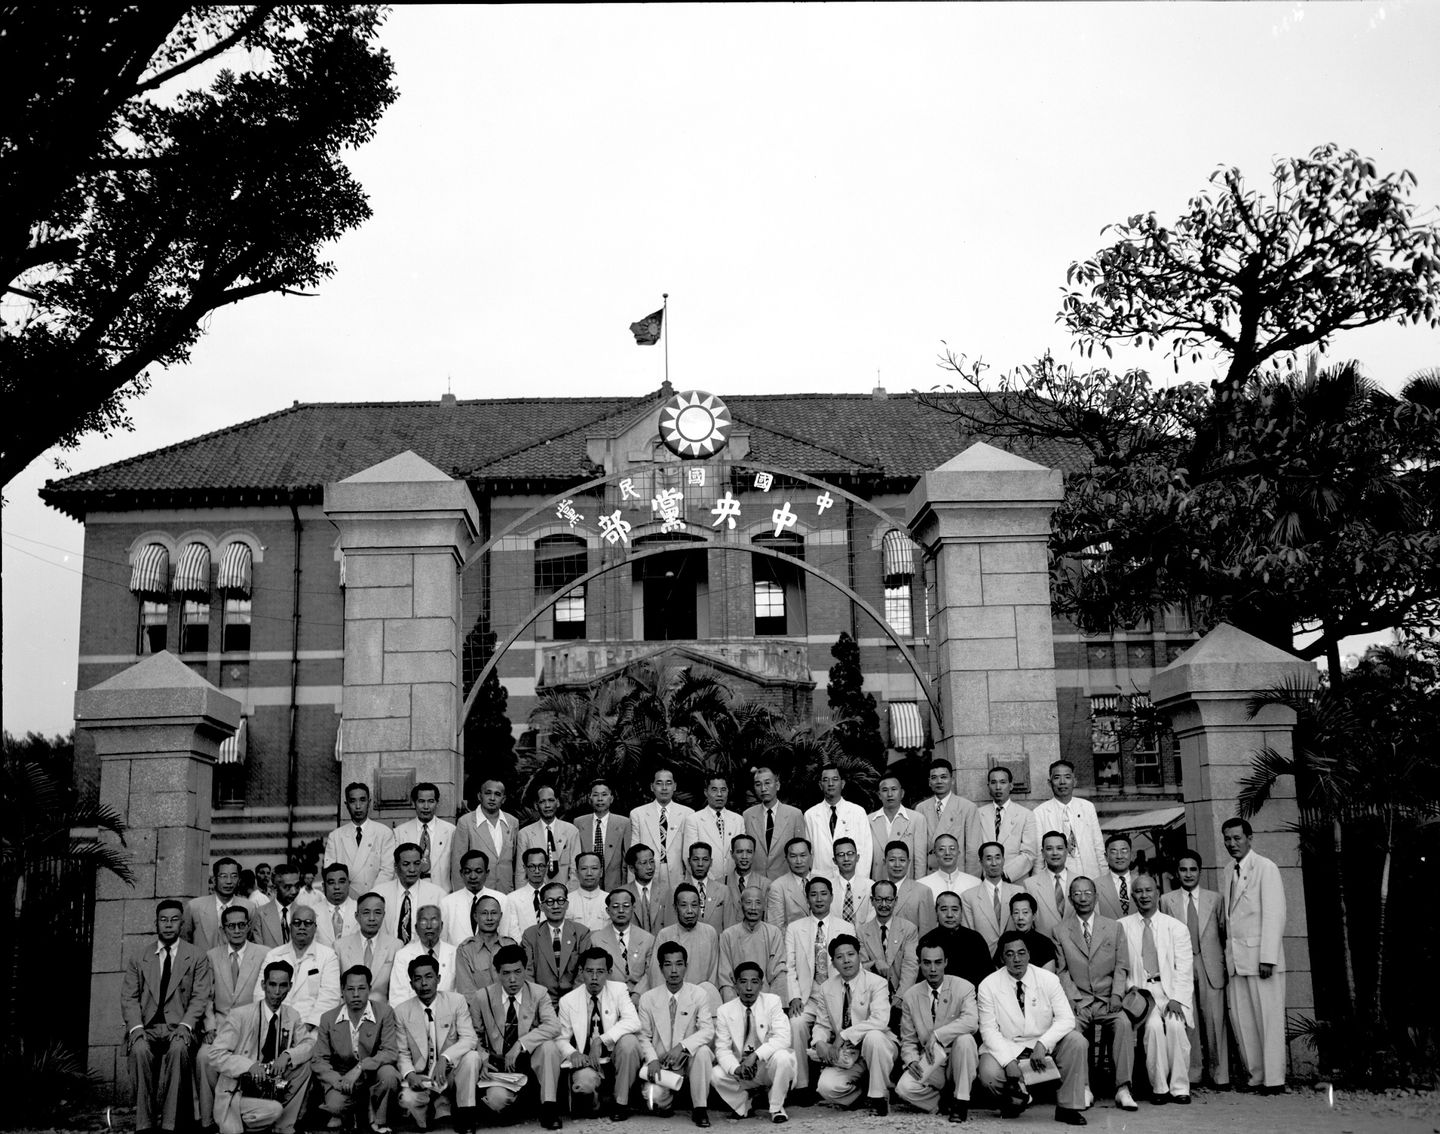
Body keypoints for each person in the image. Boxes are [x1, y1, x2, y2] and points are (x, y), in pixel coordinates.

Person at [977, 933, 1088, 1126]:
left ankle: (1068, 1107)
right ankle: (1013, 1100)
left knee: (1077, 1041)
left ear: (1029, 954)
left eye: (1021, 953)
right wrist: (1008, 1061)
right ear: (1002, 958)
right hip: (1008, 1044)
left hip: (1043, 1044)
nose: (1017, 959)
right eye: (1010, 954)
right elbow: (988, 1031)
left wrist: (1043, 1044)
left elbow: (1067, 1019)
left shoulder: (1048, 979)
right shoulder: (988, 985)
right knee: (989, 1075)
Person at [123, 899, 213, 1134]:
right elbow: (129, 998)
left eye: (174, 920)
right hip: (147, 1027)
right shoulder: (139, 957)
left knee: (178, 1049)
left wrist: (186, 1026)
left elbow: (200, 997)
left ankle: (169, 1125)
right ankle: (144, 1124)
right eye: (163, 920)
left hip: (179, 1026)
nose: (169, 924)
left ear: (181, 923)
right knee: (139, 1050)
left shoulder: (196, 956)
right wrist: (136, 1028)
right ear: (156, 923)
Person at [1051, 875, 1134, 1111]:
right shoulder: (1060, 931)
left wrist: (1117, 995)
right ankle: (1083, 1087)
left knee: (1123, 1024)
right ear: (1070, 899)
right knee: (1071, 1031)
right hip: (1080, 1001)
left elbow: (1121, 965)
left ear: (1096, 897)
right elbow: (1062, 970)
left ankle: (1123, 1088)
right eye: (1077, 893)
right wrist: (1072, 999)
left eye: (1088, 893)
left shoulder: (1114, 927)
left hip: (1108, 999)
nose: (1083, 898)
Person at [208, 961, 313, 1134]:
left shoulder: (292, 1015)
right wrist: (248, 1065)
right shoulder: (240, 1014)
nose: (277, 992)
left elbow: (308, 1044)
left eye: (283, 985)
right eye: (272, 984)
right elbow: (215, 1054)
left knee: (306, 1066)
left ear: (290, 987)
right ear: (263, 985)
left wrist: (287, 1055)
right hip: (240, 1090)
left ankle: (283, 1126)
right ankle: (253, 1120)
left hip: (271, 1084)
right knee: (274, 1110)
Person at [467, 943, 564, 1128]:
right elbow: (473, 1035)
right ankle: (516, 1106)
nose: (513, 979)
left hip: (529, 1062)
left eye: (518, 972)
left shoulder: (538, 993)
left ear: (525, 970)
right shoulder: (482, 997)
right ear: (497, 973)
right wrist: (482, 1058)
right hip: (499, 1065)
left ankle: (549, 1108)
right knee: (496, 1101)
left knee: (549, 1047)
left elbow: (554, 1026)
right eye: (506, 973)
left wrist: (520, 1044)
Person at [1222, 817, 1287, 1093]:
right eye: (1227, 839)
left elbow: (1274, 914)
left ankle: (1274, 1079)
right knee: (1244, 1021)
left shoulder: (1265, 868)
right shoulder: (1229, 870)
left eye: (1237, 838)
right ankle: (1255, 1076)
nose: (1232, 843)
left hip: (1261, 959)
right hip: (1237, 959)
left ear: (1250, 838)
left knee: (1268, 1020)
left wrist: (1268, 958)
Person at [1117, 872, 1193, 1105]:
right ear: (1132, 896)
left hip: (1169, 992)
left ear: (1158, 893)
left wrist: (1177, 998)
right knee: (1152, 1028)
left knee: (1175, 1025)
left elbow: (1184, 968)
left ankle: (1180, 1087)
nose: (1144, 895)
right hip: (1140, 994)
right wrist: (1133, 992)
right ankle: (1159, 1087)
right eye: (1139, 891)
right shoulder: (1122, 926)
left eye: (1149, 890)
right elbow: (1120, 968)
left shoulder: (1176, 927)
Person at [802, 934, 897, 1116]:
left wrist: (844, 1035)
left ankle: (879, 1097)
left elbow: (880, 1020)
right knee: (826, 1087)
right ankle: (862, 1093)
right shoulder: (827, 987)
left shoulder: (877, 982)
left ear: (859, 956)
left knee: (874, 1037)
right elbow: (822, 1024)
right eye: (840, 957)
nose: (846, 961)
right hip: (848, 1054)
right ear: (833, 963)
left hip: (879, 1048)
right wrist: (819, 1042)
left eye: (851, 954)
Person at [1160, 848, 1229, 1089]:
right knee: (1189, 1021)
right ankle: (1193, 1073)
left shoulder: (1215, 899)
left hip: (1209, 964)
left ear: (1200, 871)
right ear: (1177, 873)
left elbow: (1223, 932)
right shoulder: (1166, 900)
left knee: (1215, 1020)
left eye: (1193, 869)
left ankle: (1220, 1074)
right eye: (1183, 870)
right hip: (1182, 965)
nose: (1188, 874)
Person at [393, 953, 481, 1133]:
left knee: (472, 1057)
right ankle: (427, 1114)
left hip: (450, 1073)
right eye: (418, 979)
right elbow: (402, 1052)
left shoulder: (456, 1001)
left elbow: (469, 1038)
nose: (424, 983)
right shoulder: (401, 1011)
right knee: (408, 1099)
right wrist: (410, 1074)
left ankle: (465, 1113)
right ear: (411, 984)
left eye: (429, 977)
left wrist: (445, 1057)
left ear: (438, 979)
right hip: (422, 1077)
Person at [200, 906, 269, 1130]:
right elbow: (207, 997)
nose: (237, 930)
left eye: (241, 925)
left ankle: (238, 1113)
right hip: (221, 1027)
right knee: (204, 1057)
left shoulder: (264, 953)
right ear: (223, 930)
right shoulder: (212, 956)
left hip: (252, 1026)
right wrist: (210, 1027)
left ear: (248, 926)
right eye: (231, 926)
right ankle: (210, 1119)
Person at [554, 947, 643, 1119]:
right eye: (589, 971)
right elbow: (560, 1038)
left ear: (609, 972)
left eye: (600, 972)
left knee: (630, 1042)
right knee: (584, 1087)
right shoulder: (568, 1001)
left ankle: (621, 1104)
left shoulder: (619, 990)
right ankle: (599, 1102)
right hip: (588, 1062)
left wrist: (600, 1040)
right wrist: (573, 1053)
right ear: (581, 972)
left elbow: (633, 1021)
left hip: (614, 1059)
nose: (594, 977)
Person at [895, 942, 979, 1122]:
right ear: (919, 964)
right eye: (927, 963)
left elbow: (971, 1022)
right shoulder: (911, 995)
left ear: (946, 962)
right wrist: (911, 1060)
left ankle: (961, 1101)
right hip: (932, 1060)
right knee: (904, 1088)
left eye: (938, 962)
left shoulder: (964, 987)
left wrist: (938, 1035)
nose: (933, 969)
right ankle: (942, 1103)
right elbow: (908, 1039)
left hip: (958, 1058)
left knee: (965, 1040)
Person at [313, 965, 401, 1134]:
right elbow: (319, 1060)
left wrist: (360, 1067)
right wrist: (339, 1081)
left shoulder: (384, 1012)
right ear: (342, 991)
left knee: (389, 1075)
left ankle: (379, 1121)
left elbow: (390, 1051)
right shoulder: (328, 1018)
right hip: (343, 1076)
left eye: (361, 988)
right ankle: (354, 1114)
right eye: (350, 989)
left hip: (373, 1074)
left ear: (369, 989)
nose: (355, 994)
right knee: (334, 1105)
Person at [636, 942, 715, 1125]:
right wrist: (652, 1060)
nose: (674, 970)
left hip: (688, 1060)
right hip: (661, 1062)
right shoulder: (648, 998)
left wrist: (681, 1047)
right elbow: (643, 1036)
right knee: (653, 1097)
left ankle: (700, 1108)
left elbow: (707, 1030)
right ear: (660, 968)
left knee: (703, 1052)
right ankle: (669, 1099)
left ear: (686, 966)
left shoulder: (699, 994)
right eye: (668, 964)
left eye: (679, 964)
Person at [712, 961, 797, 1123]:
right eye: (743, 982)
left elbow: (783, 1038)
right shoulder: (724, 1011)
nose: (749, 988)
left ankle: (776, 1107)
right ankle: (744, 1103)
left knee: (784, 1057)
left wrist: (755, 1056)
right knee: (715, 1074)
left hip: (767, 1066)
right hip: (743, 1069)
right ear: (735, 985)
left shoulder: (773, 1001)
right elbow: (722, 1049)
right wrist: (736, 1068)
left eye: (754, 982)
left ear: (761, 985)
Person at [255, 902, 341, 1028]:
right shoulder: (273, 955)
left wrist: (306, 1028)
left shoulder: (328, 956)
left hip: (312, 1028)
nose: (302, 927)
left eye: (307, 923)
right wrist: (274, 1023)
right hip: (274, 1025)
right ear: (290, 927)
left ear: (315, 927)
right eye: (297, 923)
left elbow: (330, 997)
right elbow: (260, 993)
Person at [784, 878, 853, 1020]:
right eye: (813, 894)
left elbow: (852, 965)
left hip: (838, 996)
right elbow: (789, 966)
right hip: (807, 998)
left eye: (824, 893)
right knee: (796, 1022)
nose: (819, 899)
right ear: (807, 899)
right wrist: (795, 997)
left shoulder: (846, 928)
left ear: (831, 897)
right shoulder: (794, 928)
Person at [855, 880, 917, 1029]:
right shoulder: (862, 931)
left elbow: (911, 966)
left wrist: (900, 997)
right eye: (879, 899)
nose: (884, 904)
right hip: (872, 999)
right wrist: (875, 963)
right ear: (872, 901)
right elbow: (861, 967)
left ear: (896, 900)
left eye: (888, 899)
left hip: (902, 997)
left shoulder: (909, 929)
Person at [1030, 761, 1106, 884]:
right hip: (1058, 876)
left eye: (1067, 777)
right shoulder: (1039, 812)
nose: (1062, 782)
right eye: (1057, 777)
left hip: (1089, 872)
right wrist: (1037, 884)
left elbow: (1099, 847)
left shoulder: (1087, 807)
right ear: (1049, 782)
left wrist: (1105, 878)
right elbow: (1039, 854)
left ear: (1074, 781)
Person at [522, 882, 592, 1007]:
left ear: (567, 904)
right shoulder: (530, 935)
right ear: (541, 906)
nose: (555, 906)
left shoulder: (581, 933)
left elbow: (584, 971)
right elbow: (528, 973)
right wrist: (539, 1002)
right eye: (549, 902)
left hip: (575, 1000)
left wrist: (572, 1001)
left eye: (560, 900)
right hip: (541, 1001)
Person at [323, 782, 397, 899]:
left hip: (377, 897)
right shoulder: (335, 836)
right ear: (346, 805)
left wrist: (371, 897)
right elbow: (331, 873)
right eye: (353, 801)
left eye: (362, 800)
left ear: (369, 802)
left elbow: (387, 871)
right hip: (347, 898)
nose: (358, 806)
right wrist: (351, 896)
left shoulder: (384, 833)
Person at [648, 884, 721, 997]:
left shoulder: (710, 932)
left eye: (694, 905)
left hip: (703, 998)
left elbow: (714, 975)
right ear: (675, 908)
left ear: (700, 906)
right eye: (683, 905)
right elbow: (657, 976)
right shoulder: (665, 935)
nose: (690, 911)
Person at [718, 886, 788, 1004]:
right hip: (737, 1000)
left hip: (766, 999)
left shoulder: (773, 933)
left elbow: (778, 973)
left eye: (758, 903)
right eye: (748, 902)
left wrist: (772, 1005)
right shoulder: (728, 935)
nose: (753, 908)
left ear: (764, 905)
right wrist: (733, 1007)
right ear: (741, 904)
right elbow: (726, 978)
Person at [629, 766, 694, 889]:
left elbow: (690, 851)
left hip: (678, 874)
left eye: (668, 783)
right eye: (659, 783)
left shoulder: (688, 814)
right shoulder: (638, 814)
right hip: (648, 873)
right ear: (652, 787)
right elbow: (634, 850)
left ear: (674, 786)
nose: (664, 788)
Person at [803, 764, 872, 880]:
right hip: (821, 878)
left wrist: (861, 880)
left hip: (853, 878)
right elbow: (808, 852)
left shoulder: (858, 812)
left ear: (842, 783)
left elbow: (866, 851)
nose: (830, 783)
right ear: (820, 785)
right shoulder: (810, 815)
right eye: (826, 780)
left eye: (835, 779)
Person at [451, 778, 519, 894]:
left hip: (505, 892)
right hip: (477, 892)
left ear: (503, 799)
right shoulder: (466, 822)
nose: (492, 798)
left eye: (497, 794)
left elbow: (514, 859)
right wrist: (461, 895)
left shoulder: (512, 822)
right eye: (488, 793)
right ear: (479, 796)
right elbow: (458, 863)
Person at [917, 892, 993, 990]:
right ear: (936, 912)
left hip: (971, 994)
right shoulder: (927, 940)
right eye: (944, 909)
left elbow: (987, 976)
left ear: (961, 912)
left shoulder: (975, 939)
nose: (949, 915)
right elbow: (922, 979)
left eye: (955, 909)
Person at [336, 892, 401, 1007]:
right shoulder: (340, 946)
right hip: (349, 1010)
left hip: (382, 1011)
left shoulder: (395, 946)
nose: (372, 918)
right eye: (366, 913)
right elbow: (336, 990)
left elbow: (397, 991)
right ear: (357, 916)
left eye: (377, 912)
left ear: (384, 915)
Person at [591, 887, 655, 1002]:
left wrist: (637, 995)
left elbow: (650, 972)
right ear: (608, 910)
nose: (621, 910)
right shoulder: (596, 939)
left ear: (633, 908)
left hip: (640, 998)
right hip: (608, 998)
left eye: (626, 906)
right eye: (615, 906)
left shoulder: (648, 939)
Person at [976, 767, 1039, 882]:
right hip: (985, 879)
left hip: (1015, 879)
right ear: (988, 786)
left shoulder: (1025, 815)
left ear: (1011, 786)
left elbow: (1029, 853)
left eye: (1003, 782)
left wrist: (1004, 874)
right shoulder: (978, 814)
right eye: (993, 782)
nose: (998, 787)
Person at [744, 766, 807, 881]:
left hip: (786, 881)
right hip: (756, 882)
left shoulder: (794, 814)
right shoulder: (747, 815)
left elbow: (802, 852)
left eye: (767, 783)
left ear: (777, 785)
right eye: (758, 784)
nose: (763, 788)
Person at [392, 781, 457, 893]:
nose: (426, 807)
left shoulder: (451, 831)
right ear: (414, 803)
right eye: (421, 801)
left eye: (431, 801)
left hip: (442, 892)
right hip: (410, 891)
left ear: (437, 803)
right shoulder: (400, 832)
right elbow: (395, 869)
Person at [922, 759, 984, 875]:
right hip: (930, 875)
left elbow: (973, 849)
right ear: (929, 782)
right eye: (934, 778)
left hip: (957, 874)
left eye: (944, 777)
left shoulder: (967, 807)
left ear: (953, 780)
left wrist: (972, 880)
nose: (939, 781)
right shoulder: (921, 808)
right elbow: (919, 851)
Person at [378, 844, 447, 946]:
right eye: (406, 864)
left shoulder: (439, 895)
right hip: (388, 952)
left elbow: (443, 936)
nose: (412, 869)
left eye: (417, 863)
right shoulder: (379, 893)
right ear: (396, 867)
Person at [391, 904, 459, 1010]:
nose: (429, 926)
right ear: (416, 928)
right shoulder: (402, 955)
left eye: (434, 921)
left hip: (448, 1013)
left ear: (441, 925)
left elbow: (458, 993)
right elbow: (398, 997)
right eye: (423, 922)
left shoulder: (455, 953)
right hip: (413, 1015)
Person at [183, 858, 256, 952]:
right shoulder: (195, 906)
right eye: (223, 876)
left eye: (234, 876)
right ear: (214, 880)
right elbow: (185, 941)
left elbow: (252, 941)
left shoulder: (249, 907)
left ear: (239, 880)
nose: (229, 881)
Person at [959, 842, 1020, 952]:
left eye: (998, 857)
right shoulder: (968, 897)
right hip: (982, 956)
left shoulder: (1018, 892)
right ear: (981, 862)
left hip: (1014, 955)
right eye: (988, 858)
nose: (994, 863)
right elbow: (969, 935)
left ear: (1003, 860)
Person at [519, 784, 582, 888]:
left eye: (551, 800)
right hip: (536, 892)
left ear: (558, 802)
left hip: (564, 892)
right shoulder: (525, 834)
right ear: (536, 805)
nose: (547, 805)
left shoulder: (571, 831)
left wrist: (569, 894)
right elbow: (521, 872)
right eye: (542, 802)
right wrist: (524, 895)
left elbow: (575, 870)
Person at [868, 774, 929, 882]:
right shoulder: (869, 820)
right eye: (885, 790)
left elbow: (920, 860)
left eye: (894, 789)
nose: (890, 794)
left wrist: (918, 886)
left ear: (902, 793)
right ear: (879, 795)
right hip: (878, 883)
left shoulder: (916, 819)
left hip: (907, 883)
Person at [685, 772, 744, 884]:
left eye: (723, 790)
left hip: (734, 883)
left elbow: (741, 854)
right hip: (705, 883)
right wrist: (711, 882)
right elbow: (689, 856)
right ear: (706, 792)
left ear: (728, 791)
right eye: (714, 790)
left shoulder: (738, 820)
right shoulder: (693, 820)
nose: (719, 794)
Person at [441, 850, 507, 947]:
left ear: (487, 873)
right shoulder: (447, 903)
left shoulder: (501, 899)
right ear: (461, 873)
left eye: (478, 871)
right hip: (457, 955)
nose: (473, 876)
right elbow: (443, 941)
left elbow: (505, 936)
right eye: (467, 872)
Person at [453, 895, 517, 996]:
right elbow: (467, 992)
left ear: (500, 916)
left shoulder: (511, 946)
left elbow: (519, 984)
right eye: (484, 913)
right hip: (479, 1006)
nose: (489, 918)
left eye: (494, 913)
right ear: (475, 916)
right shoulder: (465, 950)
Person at [577, 778, 632, 891]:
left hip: (615, 884)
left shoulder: (624, 823)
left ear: (611, 798)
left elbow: (627, 860)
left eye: (604, 794)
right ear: (590, 798)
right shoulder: (579, 823)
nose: (600, 799)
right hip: (586, 883)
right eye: (595, 795)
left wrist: (625, 887)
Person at [880, 841, 937, 935]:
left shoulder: (923, 891)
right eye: (892, 860)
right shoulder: (875, 889)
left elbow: (927, 931)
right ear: (884, 862)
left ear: (909, 862)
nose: (897, 864)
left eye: (902, 860)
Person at [1024, 831, 1074, 934]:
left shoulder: (1082, 882)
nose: (1055, 853)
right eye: (1049, 849)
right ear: (1043, 853)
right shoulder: (1030, 885)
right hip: (1044, 942)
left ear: (1066, 851)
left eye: (1059, 848)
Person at [500, 848, 550, 942]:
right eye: (532, 866)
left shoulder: (554, 896)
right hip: (522, 948)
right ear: (524, 868)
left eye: (541, 866)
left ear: (547, 867)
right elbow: (512, 932)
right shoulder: (512, 899)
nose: (537, 871)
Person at [765, 837, 815, 931]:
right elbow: (776, 928)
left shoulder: (823, 880)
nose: (799, 861)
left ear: (810, 855)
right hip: (793, 939)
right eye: (793, 856)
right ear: (786, 859)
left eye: (803, 855)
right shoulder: (777, 887)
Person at [996, 893, 1056, 970]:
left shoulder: (1045, 943)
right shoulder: (1005, 940)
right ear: (1011, 916)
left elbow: (1048, 975)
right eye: (1016, 913)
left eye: (1025, 912)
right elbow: (998, 971)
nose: (1020, 917)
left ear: (1034, 915)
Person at [720, 834, 770, 924]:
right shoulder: (720, 883)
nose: (744, 856)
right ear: (732, 854)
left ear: (754, 854)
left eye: (749, 852)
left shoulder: (766, 885)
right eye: (739, 851)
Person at [252, 863, 304, 949]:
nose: (294, 891)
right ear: (275, 887)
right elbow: (258, 951)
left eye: (297, 886)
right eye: (287, 887)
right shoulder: (260, 914)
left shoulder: (305, 914)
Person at [624, 844, 673, 934]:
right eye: (644, 863)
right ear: (631, 868)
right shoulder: (623, 894)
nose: (650, 867)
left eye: (652, 861)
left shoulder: (666, 892)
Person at [824, 837, 872, 925]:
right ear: (834, 860)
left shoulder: (870, 886)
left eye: (850, 854)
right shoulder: (826, 887)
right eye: (841, 855)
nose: (846, 859)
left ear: (857, 857)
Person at [919, 834, 980, 904]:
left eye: (952, 848)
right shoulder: (922, 885)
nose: (947, 853)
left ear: (958, 852)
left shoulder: (975, 883)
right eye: (941, 849)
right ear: (935, 853)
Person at [311, 863, 358, 948]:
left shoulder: (360, 910)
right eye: (331, 883)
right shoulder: (312, 913)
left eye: (342, 882)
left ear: (349, 884)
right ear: (323, 886)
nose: (337, 887)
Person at [684, 842, 729, 931]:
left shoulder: (723, 890)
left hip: (716, 939)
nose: (700, 864)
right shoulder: (676, 890)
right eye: (695, 859)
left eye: (705, 859)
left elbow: (729, 928)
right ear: (689, 861)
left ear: (711, 862)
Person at [1094, 834, 1138, 922]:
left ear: (1132, 855)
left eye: (1124, 851)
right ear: (1106, 857)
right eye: (1114, 852)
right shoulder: (1095, 885)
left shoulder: (1142, 883)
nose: (1119, 856)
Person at [568, 852, 612, 933]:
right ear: (576, 873)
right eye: (584, 868)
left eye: (594, 868)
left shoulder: (611, 900)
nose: (589, 873)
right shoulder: (567, 901)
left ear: (601, 872)